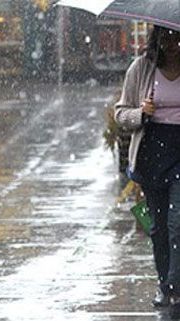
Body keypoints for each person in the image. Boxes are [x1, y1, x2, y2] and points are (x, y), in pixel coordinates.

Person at [115, 26, 180, 318]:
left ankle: (175, 284)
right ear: (157, 38)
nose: (172, 43)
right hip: (153, 152)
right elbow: (121, 113)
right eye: (166, 37)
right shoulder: (141, 68)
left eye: (177, 37)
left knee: (177, 222)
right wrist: (141, 113)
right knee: (158, 226)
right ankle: (163, 282)